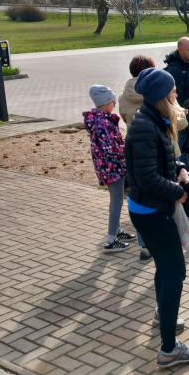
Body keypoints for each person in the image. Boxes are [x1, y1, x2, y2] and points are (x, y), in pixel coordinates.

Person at [125, 68, 189, 368]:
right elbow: (145, 177)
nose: (177, 94)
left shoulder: (155, 119)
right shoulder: (144, 125)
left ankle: (161, 314)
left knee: (163, 267)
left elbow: (164, 159)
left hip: (153, 208)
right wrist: (177, 193)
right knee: (175, 273)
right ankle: (169, 349)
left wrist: (180, 168)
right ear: (161, 96)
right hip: (152, 211)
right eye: (172, 91)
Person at [84, 85, 136, 253]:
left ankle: (117, 230)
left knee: (116, 200)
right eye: (113, 101)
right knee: (117, 202)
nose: (115, 104)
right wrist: (126, 150)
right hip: (112, 168)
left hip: (108, 167)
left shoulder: (99, 120)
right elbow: (111, 150)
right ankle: (111, 240)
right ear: (106, 103)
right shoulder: (103, 124)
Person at [164, 37, 189, 174]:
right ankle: (185, 171)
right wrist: (181, 111)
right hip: (181, 114)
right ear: (180, 51)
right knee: (182, 144)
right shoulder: (175, 70)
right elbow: (174, 96)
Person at [119, 55, 156, 126]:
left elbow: (125, 119)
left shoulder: (123, 98)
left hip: (133, 135)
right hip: (158, 135)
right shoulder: (161, 92)